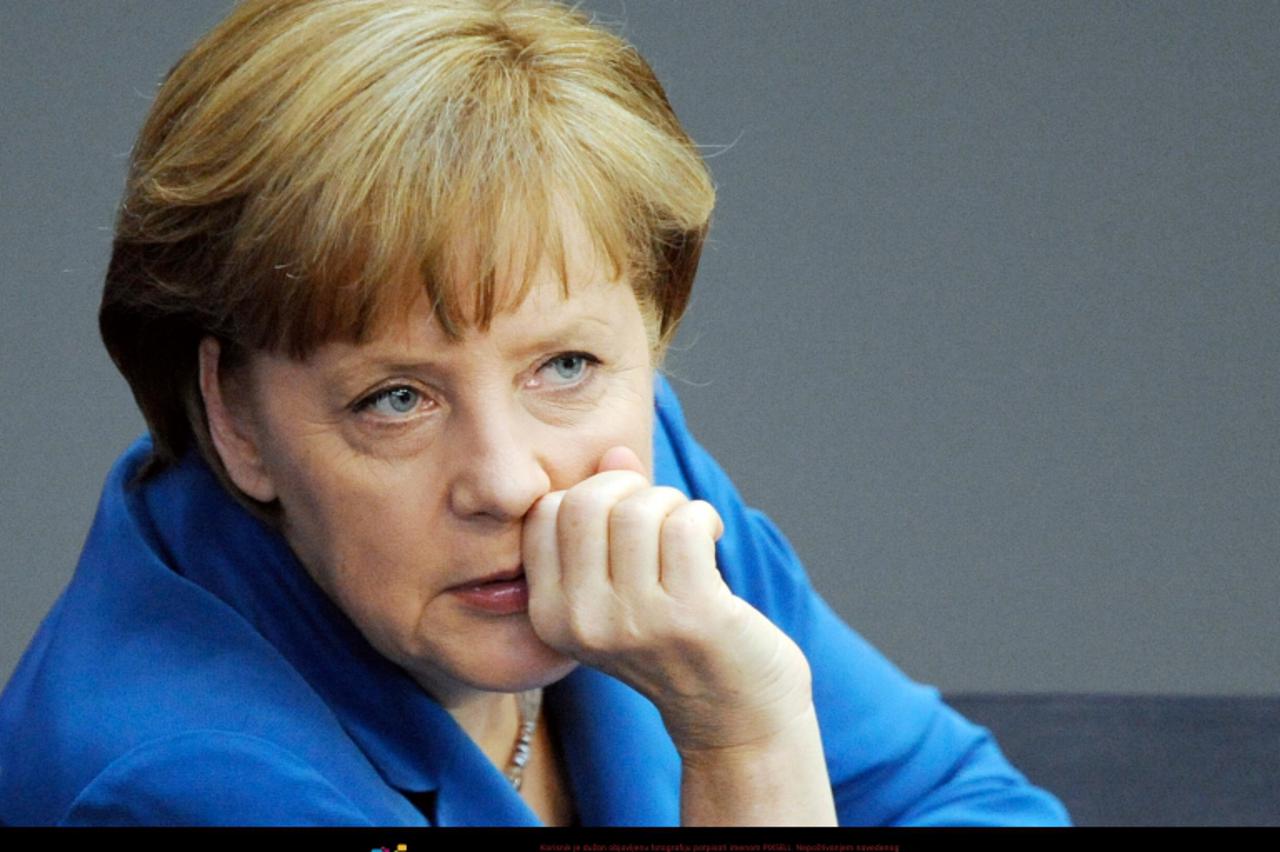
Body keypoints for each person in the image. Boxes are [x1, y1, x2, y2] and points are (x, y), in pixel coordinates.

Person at [0, 0, 1068, 827]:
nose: (511, 478)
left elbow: (971, 804)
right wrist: (743, 746)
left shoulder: (648, 479)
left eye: (562, 363)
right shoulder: (181, 780)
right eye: (396, 399)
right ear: (233, 416)